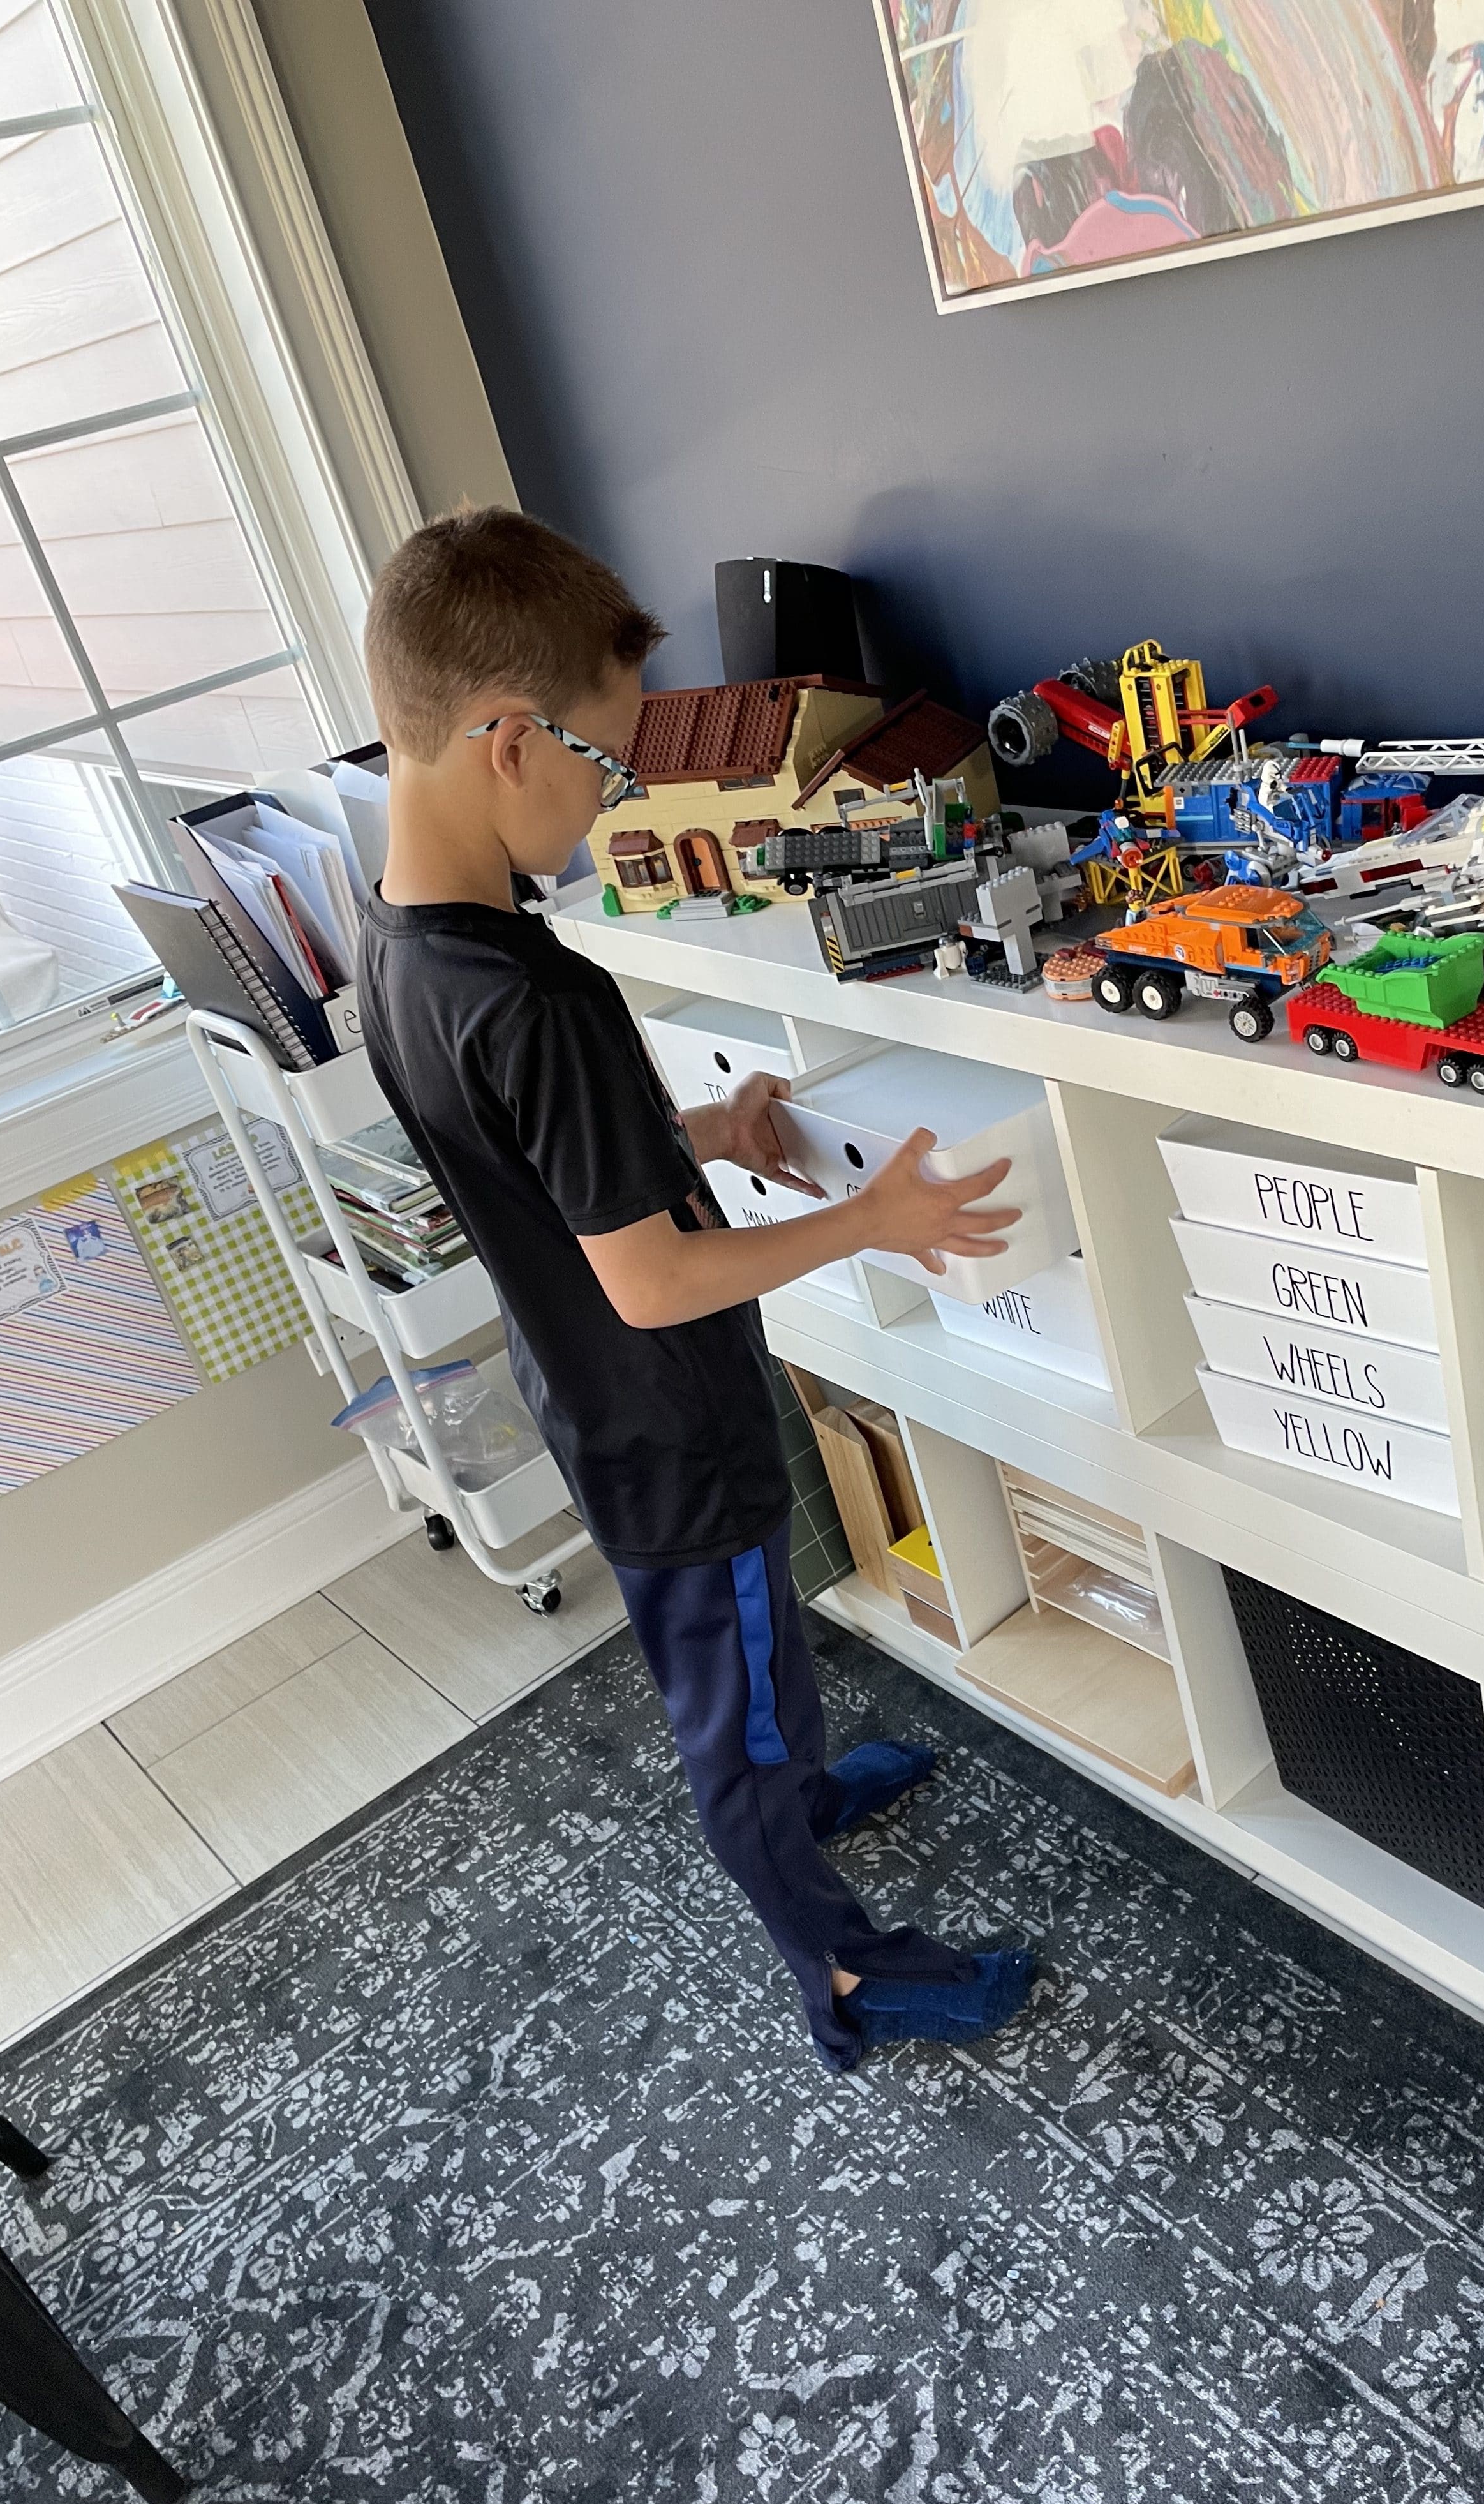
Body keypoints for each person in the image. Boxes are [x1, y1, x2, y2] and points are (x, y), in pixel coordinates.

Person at [355, 505, 1039, 2070]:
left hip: (593, 1398)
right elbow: (656, 1284)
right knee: (727, 1711)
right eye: (605, 770)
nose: (611, 811)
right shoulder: (542, 999)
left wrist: (701, 1135)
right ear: (507, 740)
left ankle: (802, 1796)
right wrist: (871, 1221)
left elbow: (542, 1169)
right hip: (666, 1420)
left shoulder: (401, 951)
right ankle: (849, 1980)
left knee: (759, 1660)